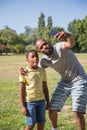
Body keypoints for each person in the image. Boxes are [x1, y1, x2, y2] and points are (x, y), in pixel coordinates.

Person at [35, 31, 87, 130]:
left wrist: (68, 35)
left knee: (77, 111)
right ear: (40, 51)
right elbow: (35, 68)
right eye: (41, 47)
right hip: (65, 81)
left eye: (45, 43)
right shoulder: (44, 60)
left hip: (79, 79)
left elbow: (71, 43)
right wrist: (24, 70)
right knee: (52, 107)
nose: (44, 47)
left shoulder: (60, 47)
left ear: (49, 42)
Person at [19, 49, 49, 130]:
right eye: (32, 57)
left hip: (41, 102)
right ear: (27, 60)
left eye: (37, 56)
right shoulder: (24, 72)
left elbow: (45, 87)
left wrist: (48, 102)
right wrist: (22, 106)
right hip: (30, 103)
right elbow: (21, 90)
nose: (35, 58)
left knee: (41, 123)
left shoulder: (42, 71)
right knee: (30, 124)